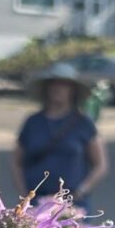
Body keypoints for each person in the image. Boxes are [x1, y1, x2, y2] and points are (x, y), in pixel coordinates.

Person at [16, 64, 105, 208]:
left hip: (73, 203)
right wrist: (24, 194)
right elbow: (17, 162)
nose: (57, 88)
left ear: (73, 90)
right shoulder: (32, 122)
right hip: (37, 201)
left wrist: (82, 190)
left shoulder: (83, 123)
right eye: (53, 84)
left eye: (64, 84)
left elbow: (100, 164)